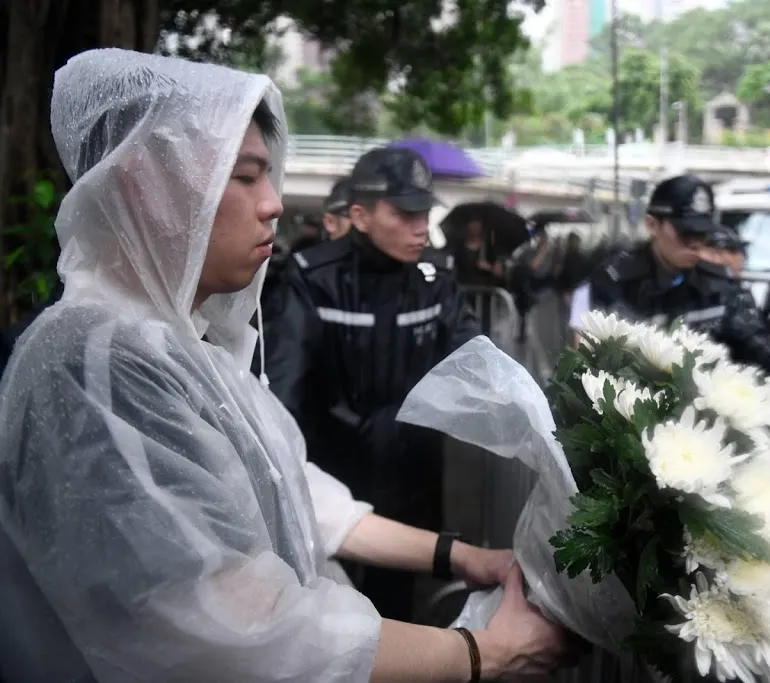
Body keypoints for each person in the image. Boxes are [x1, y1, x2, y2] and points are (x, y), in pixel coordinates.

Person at [0, 48, 565, 683]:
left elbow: (299, 494)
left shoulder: (186, 346)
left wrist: (461, 557)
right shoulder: (96, 363)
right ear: (143, 183)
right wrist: (483, 654)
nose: (272, 203)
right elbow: (229, 624)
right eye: (245, 177)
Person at [263, 147, 480, 623]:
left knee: (397, 611)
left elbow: (478, 362)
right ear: (358, 215)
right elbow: (283, 389)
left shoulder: (435, 278)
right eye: (404, 214)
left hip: (412, 480)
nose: (421, 226)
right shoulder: (313, 280)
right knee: (329, 612)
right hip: (333, 480)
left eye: (425, 212)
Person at [570, 174, 770, 384]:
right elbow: (589, 366)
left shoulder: (719, 286)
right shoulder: (613, 283)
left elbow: (766, 357)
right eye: (686, 233)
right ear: (652, 225)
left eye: (702, 233)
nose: (695, 243)